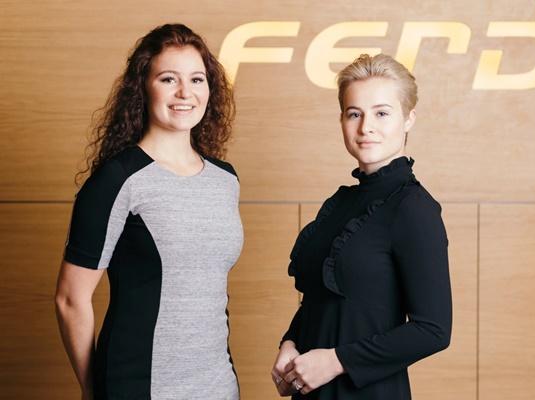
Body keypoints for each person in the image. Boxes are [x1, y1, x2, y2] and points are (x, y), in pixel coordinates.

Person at [54, 24, 242, 400]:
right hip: (138, 386)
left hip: (218, 385)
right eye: (168, 79)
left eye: (197, 79)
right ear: (143, 86)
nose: (185, 92)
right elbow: (70, 299)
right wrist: (93, 390)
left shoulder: (225, 180)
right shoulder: (118, 180)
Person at [271, 54, 452, 399]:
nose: (366, 127)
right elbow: (323, 302)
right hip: (312, 390)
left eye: (382, 113)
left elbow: (433, 330)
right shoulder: (340, 204)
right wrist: (290, 342)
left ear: (409, 118)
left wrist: (337, 361)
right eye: (354, 113)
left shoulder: (414, 208)